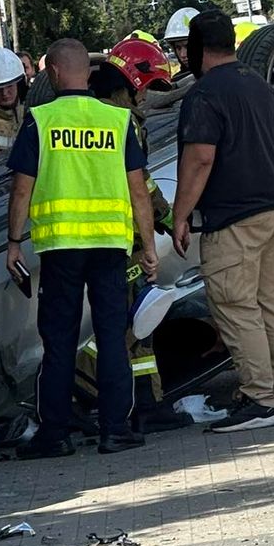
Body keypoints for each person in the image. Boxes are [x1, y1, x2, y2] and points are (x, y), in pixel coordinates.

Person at [5, 38, 158, 459]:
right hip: (110, 244)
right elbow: (138, 191)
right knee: (112, 336)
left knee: (59, 339)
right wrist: (147, 246)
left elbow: (21, 189)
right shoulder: (117, 119)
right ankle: (115, 431)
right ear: (87, 74)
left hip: (61, 247)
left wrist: (14, 242)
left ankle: (54, 435)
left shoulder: (41, 119)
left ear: (53, 72)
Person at [171, 9, 274, 433]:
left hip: (234, 217)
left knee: (236, 306)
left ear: (196, 48)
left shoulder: (205, 94)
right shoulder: (256, 84)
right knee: (269, 305)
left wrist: (180, 214)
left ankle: (260, 401)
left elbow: (200, 157)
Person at [81, 37, 189, 433]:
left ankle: (147, 402)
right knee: (131, 322)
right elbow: (139, 186)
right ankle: (87, 381)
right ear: (130, 84)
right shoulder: (122, 123)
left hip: (95, 237)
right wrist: (167, 221)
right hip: (122, 238)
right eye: (145, 91)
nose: (145, 101)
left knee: (138, 325)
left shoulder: (90, 116)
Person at [162, 6, 199, 76]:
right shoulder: (176, 80)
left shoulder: (217, 76)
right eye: (178, 48)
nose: (183, 55)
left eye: (188, 46)